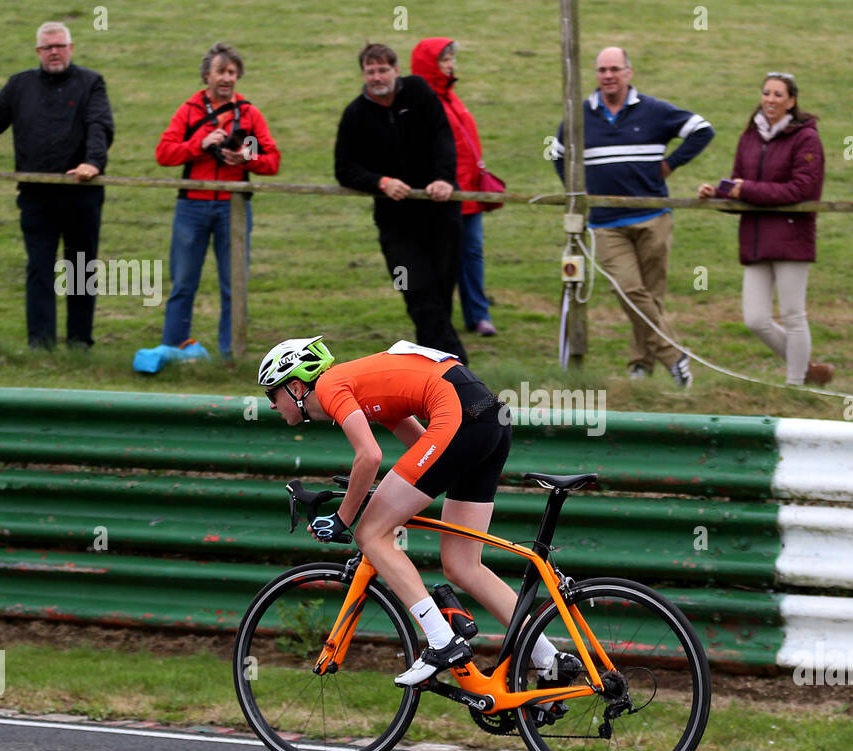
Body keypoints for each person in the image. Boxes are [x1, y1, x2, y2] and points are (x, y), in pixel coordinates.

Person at [257, 336, 578, 688]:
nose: (272, 406)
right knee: (462, 565)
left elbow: (370, 456)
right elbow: (425, 449)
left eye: (272, 394)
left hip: (463, 418)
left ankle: (442, 641)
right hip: (486, 416)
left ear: (297, 386)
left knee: (369, 534)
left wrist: (344, 517)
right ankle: (549, 657)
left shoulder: (332, 385)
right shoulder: (363, 388)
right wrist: (390, 494)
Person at [551, 47, 714, 388]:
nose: (608, 75)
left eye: (614, 69)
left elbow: (702, 129)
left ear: (628, 72)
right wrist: (576, 187)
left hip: (654, 216)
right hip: (606, 223)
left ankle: (640, 366)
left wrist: (669, 165)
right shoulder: (579, 115)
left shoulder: (655, 110)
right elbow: (558, 153)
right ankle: (675, 358)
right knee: (628, 291)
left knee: (650, 297)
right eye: (601, 70)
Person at [0, 22, 114, 350]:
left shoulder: (91, 83)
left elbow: (100, 124)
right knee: (39, 269)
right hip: (36, 196)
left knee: (80, 269)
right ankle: (40, 345)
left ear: (71, 47)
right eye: (47, 47)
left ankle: (80, 343)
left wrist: (93, 163)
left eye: (60, 45)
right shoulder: (19, 85)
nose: (55, 52)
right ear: (38, 51)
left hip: (82, 194)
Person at [335, 43, 469, 364]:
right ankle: (458, 370)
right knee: (414, 289)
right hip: (395, 222)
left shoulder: (420, 93)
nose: (378, 77)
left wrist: (443, 178)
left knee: (439, 294)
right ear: (363, 75)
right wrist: (379, 182)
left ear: (397, 70)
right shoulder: (355, 114)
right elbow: (344, 168)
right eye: (371, 71)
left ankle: (435, 376)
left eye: (383, 70)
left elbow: (442, 137)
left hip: (441, 212)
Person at [698, 72, 833, 386]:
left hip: (792, 238)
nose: (771, 100)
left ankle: (795, 385)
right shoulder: (749, 135)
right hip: (755, 240)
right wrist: (716, 193)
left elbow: (801, 190)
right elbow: (738, 183)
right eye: (766, 93)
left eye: (778, 94)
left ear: (791, 101)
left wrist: (746, 191)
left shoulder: (806, 138)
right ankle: (808, 371)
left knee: (793, 315)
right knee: (756, 320)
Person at [154, 42, 281, 358]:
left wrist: (245, 158)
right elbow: (164, 154)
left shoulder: (249, 114)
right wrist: (200, 143)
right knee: (183, 282)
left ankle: (231, 353)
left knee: (233, 284)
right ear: (206, 75)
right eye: (221, 72)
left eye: (232, 72)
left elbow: (273, 161)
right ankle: (172, 351)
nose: (227, 78)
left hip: (233, 207)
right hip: (192, 205)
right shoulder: (188, 110)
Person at [411, 38, 498, 337]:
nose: (451, 65)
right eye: (445, 60)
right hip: (441, 195)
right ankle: (439, 319)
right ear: (429, 64)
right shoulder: (421, 102)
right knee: (442, 259)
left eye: (452, 59)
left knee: (472, 254)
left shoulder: (450, 96)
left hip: (466, 191)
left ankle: (478, 315)